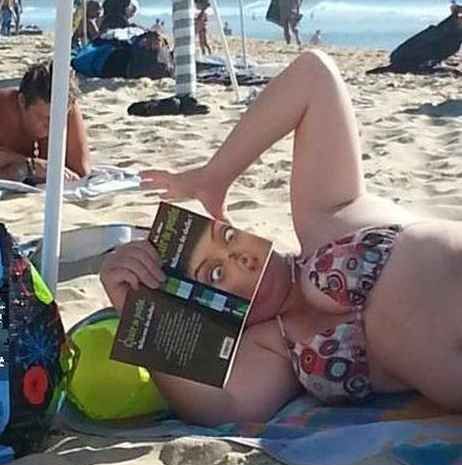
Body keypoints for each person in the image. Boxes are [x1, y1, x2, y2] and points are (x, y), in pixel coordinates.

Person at [101, 51, 462, 426]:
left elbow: (314, 74)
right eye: (216, 274)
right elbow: (223, 407)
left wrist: (215, 176)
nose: (240, 258)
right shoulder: (273, 346)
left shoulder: (323, 214)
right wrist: (135, 312)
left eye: (228, 237)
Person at [0, 62, 91, 184]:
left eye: (58, 120)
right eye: (44, 118)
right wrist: (29, 165)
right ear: (22, 101)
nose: (52, 126)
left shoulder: (65, 106)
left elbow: (80, 171)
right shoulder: (3, 108)